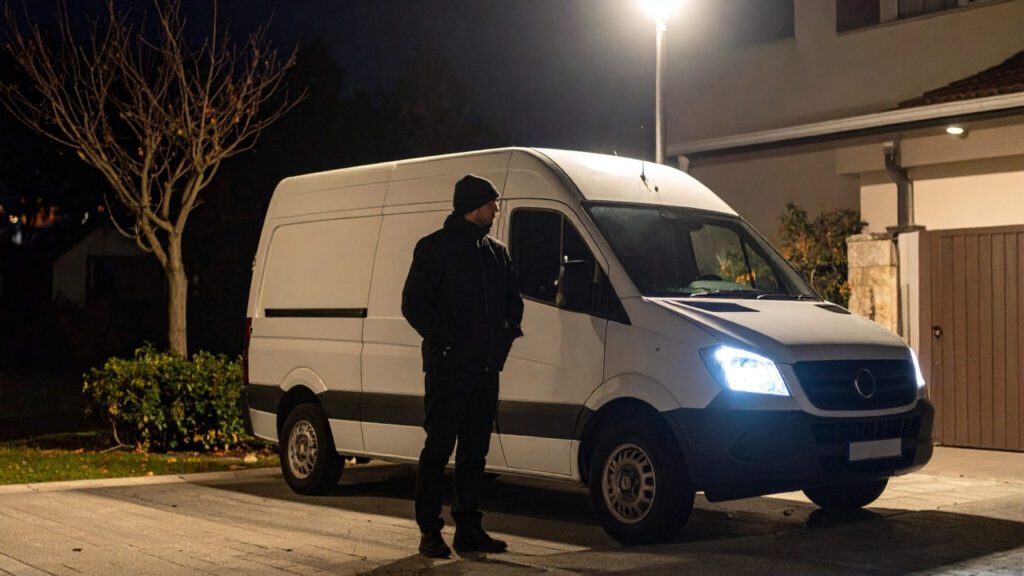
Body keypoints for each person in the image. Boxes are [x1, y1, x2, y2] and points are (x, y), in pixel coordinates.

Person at [401, 174, 524, 558]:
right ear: (473, 208)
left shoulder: (496, 252)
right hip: (449, 369)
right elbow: (413, 304)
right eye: (491, 204)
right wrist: (448, 339)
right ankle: (430, 531)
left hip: (485, 370)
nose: (496, 210)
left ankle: (468, 529)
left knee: (475, 453)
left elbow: (513, 303)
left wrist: (503, 339)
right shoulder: (434, 248)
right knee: (438, 449)